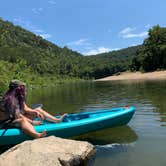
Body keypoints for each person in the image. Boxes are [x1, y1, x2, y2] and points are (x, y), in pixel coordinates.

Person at [0, 79, 67, 138]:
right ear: (17, 89)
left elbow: (25, 108)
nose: (23, 89)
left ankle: (57, 120)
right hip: (4, 123)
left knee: (37, 109)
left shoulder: (18, 96)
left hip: (14, 118)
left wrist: (35, 112)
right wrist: (33, 122)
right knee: (22, 120)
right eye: (22, 88)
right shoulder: (9, 99)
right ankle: (37, 135)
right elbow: (18, 116)